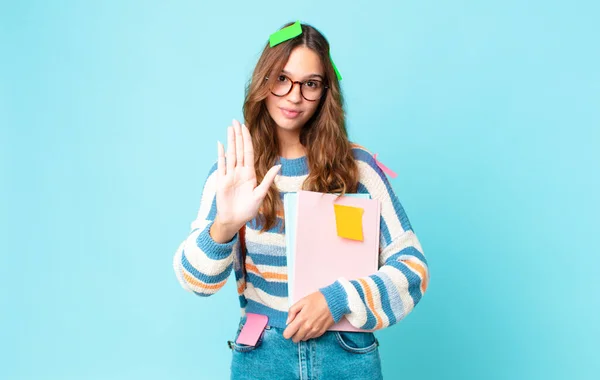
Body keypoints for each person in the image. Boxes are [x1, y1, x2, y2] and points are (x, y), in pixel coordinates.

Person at [173, 21, 429, 380]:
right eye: (281, 78)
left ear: (326, 92)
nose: (294, 96)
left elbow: (413, 268)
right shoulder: (234, 173)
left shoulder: (358, 170)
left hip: (347, 354)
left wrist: (337, 299)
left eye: (310, 84)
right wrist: (225, 225)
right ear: (264, 80)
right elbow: (194, 281)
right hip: (261, 356)